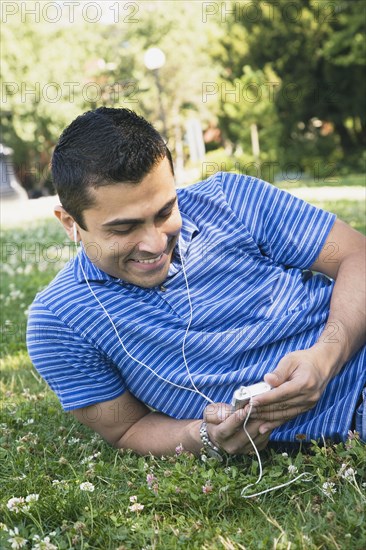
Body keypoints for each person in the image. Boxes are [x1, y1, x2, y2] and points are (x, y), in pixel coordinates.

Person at [26, 107, 366, 459]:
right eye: (124, 228)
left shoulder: (231, 199)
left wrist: (327, 355)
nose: (155, 244)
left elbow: (357, 255)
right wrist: (202, 436)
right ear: (69, 223)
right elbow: (127, 427)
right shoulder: (59, 321)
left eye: (165, 212)